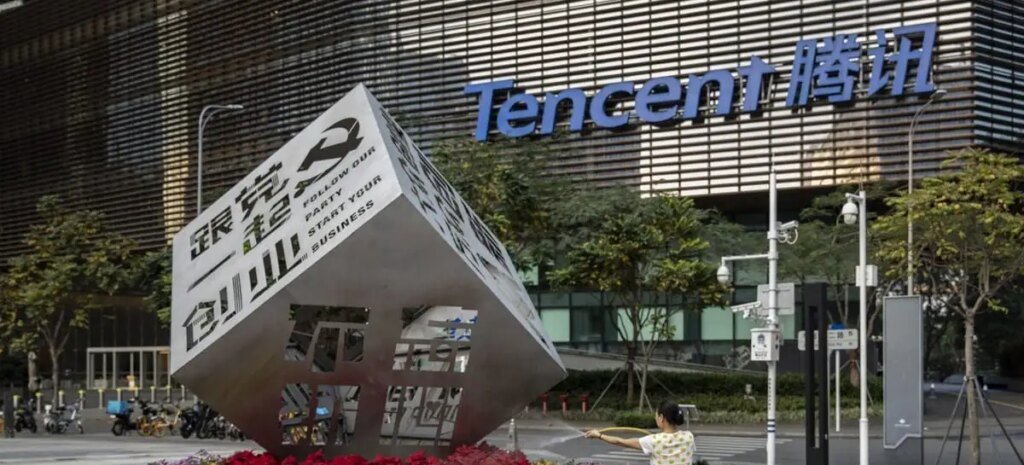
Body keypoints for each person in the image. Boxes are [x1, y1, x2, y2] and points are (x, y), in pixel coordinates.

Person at [585, 401, 696, 465]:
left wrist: (599, 435)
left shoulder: (654, 441)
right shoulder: (689, 437)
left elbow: (620, 441)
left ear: (661, 418)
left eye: (656, 416)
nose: (655, 418)